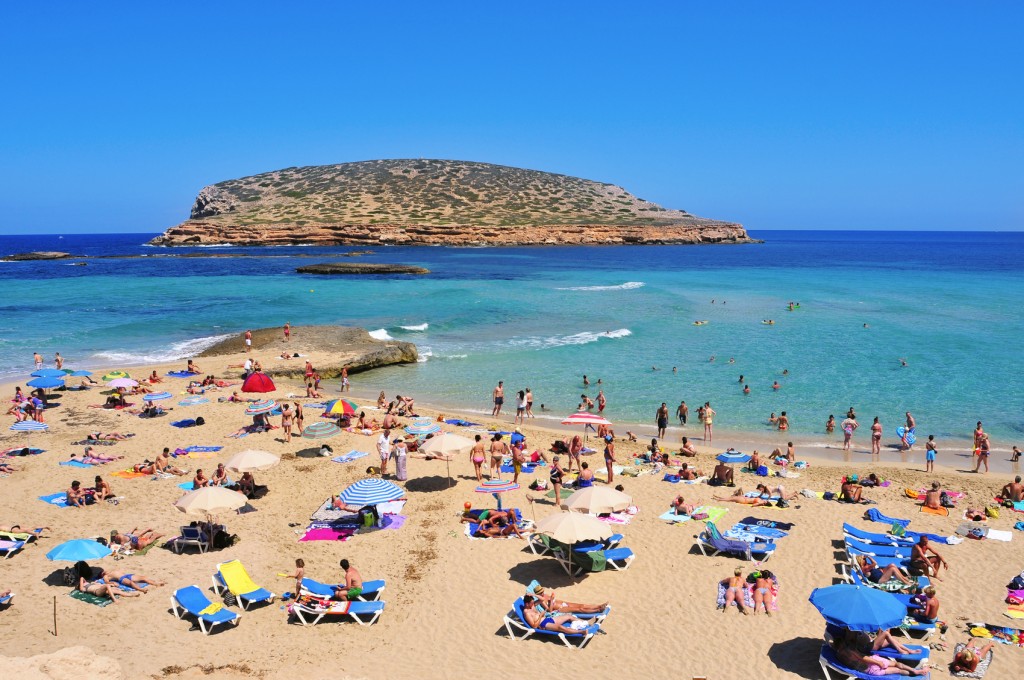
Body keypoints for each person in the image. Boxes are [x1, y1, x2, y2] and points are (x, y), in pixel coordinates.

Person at [521, 595, 590, 634]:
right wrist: (541, 616)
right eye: (532, 603)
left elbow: (542, 599)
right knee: (561, 628)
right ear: (527, 604)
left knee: (568, 616)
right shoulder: (527, 613)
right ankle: (581, 632)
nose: (533, 604)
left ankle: (586, 623)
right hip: (543, 624)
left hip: (548, 619)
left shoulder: (532, 606)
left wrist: (532, 594)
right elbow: (534, 626)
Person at [529, 582, 607, 614]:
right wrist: (552, 599)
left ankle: (599, 606)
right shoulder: (541, 600)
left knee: (582, 605)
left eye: (542, 591)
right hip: (560, 609)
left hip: (563, 603)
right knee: (579, 609)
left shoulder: (545, 595)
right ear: (538, 594)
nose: (542, 593)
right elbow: (550, 610)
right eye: (540, 592)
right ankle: (598, 610)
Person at [99, 567, 165, 592]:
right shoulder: (106, 576)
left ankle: (156, 583)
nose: (104, 571)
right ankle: (141, 589)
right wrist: (112, 583)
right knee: (131, 583)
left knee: (143, 577)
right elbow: (107, 582)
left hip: (127, 575)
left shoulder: (111, 570)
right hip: (122, 578)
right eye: (102, 572)